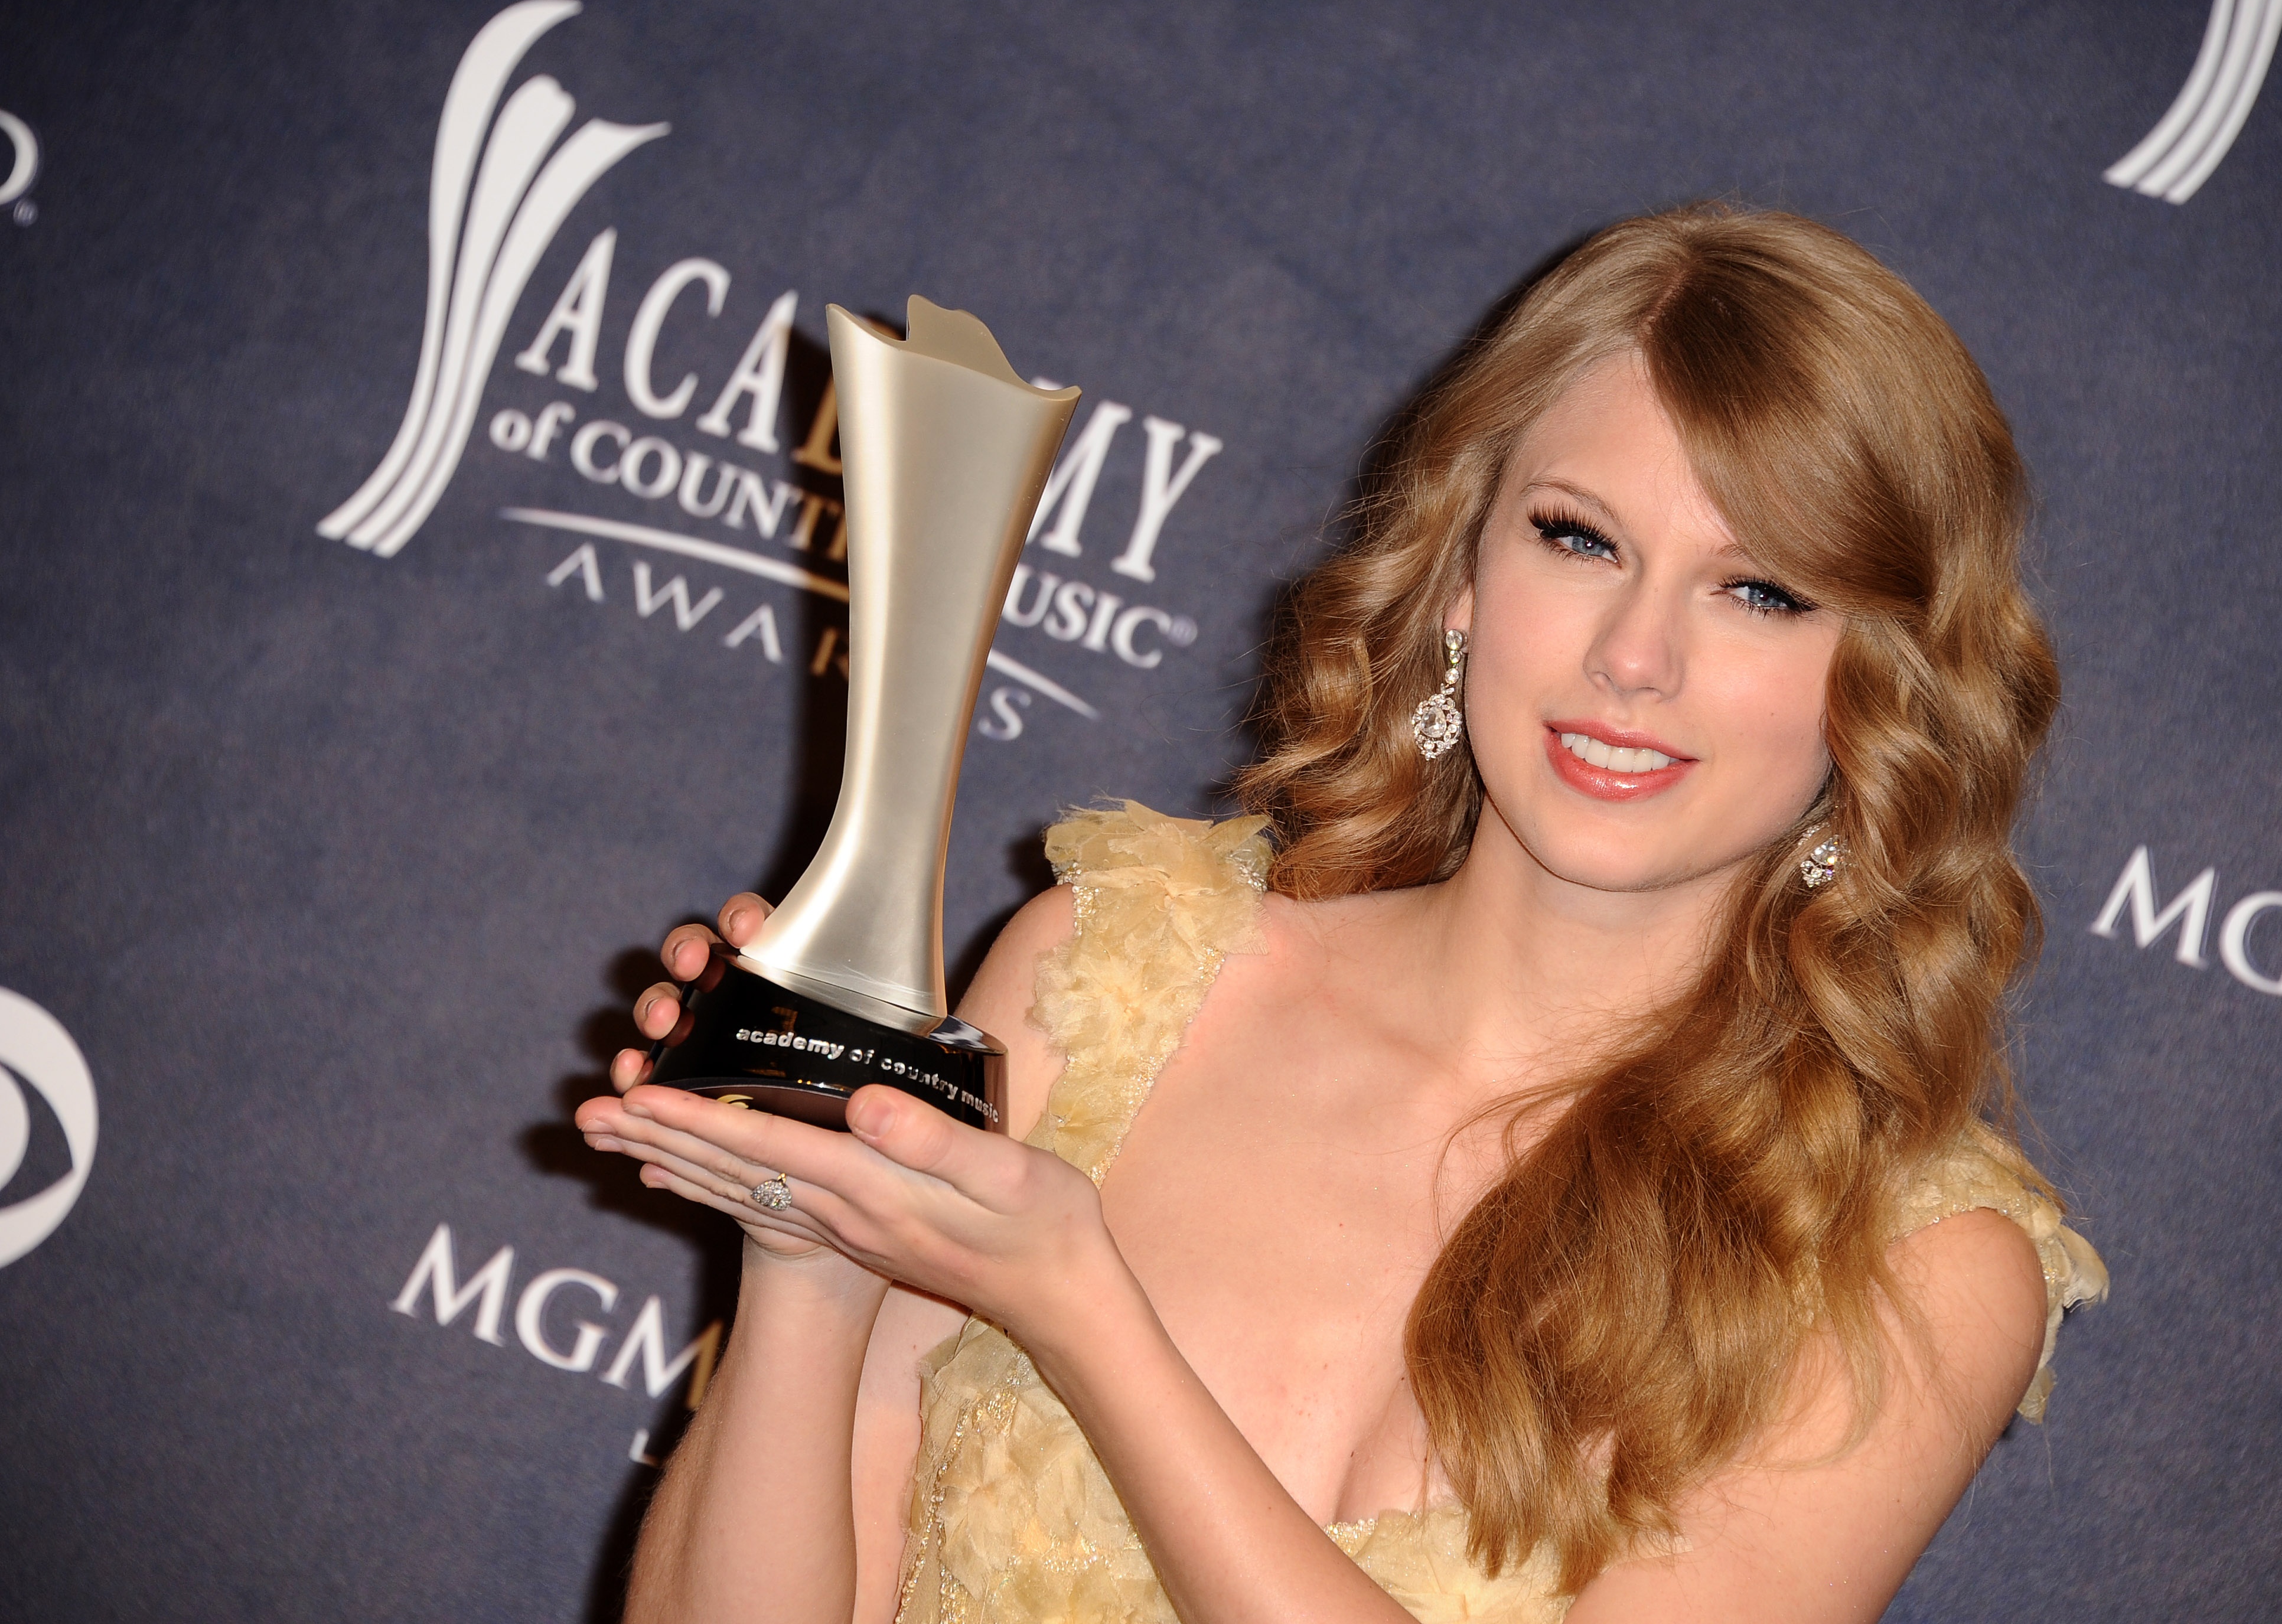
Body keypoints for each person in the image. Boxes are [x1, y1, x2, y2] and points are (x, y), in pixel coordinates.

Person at [576, 203, 2108, 1624]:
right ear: (1462, 576)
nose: (1635, 657)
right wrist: (813, 1258)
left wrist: (1081, 1310)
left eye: (1760, 591)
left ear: (1884, 691)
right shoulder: (1114, 977)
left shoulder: (1908, 1262)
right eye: (1579, 538)